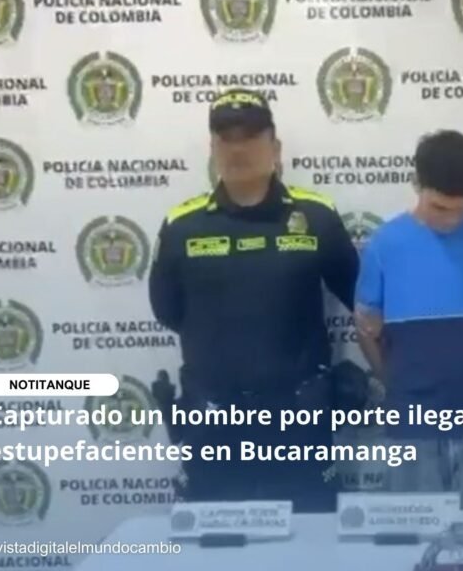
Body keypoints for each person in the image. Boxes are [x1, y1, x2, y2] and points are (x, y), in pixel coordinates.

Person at [148, 88, 359, 512]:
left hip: (297, 416)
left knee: (311, 537)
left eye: (250, 137)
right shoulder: (182, 226)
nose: (238, 149)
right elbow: (167, 311)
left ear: (275, 148)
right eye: (226, 138)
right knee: (213, 538)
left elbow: (360, 297)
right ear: (212, 149)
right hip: (213, 418)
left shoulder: (316, 216)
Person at [354, 130, 463, 509]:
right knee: (413, 523)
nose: (451, 220)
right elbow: (366, 327)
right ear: (417, 185)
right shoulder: (386, 243)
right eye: (439, 208)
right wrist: (396, 381)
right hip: (410, 410)